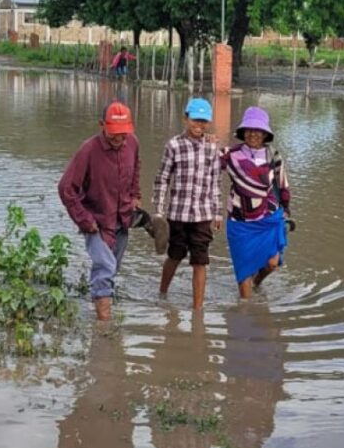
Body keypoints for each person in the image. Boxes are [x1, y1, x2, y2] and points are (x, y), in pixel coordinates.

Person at [58, 100, 141, 320]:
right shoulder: (89, 150)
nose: (119, 138)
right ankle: (104, 328)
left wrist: (135, 196)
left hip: (123, 219)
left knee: (112, 269)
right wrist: (84, 220)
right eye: (114, 133)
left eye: (123, 133)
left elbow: (135, 171)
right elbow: (66, 188)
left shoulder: (133, 144)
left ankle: (98, 301)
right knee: (105, 267)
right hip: (97, 221)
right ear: (101, 125)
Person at [153, 98, 223, 309]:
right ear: (185, 118)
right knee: (175, 255)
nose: (199, 126)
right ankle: (162, 293)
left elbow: (216, 182)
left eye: (204, 122)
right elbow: (162, 178)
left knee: (201, 260)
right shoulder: (173, 145)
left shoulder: (212, 148)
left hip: (203, 214)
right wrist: (158, 211)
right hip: (178, 214)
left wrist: (218, 212)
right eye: (195, 120)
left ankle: (198, 309)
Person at [221, 106, 292, 299]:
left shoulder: (274, 156)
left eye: (258, 130)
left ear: (264, 133)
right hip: (239, 220)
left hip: (268, 217)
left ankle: (257, 282)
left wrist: (286, 208)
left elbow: (282, 184)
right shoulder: (230, 155)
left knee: (272, 263)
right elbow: (205, 163)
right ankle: (246, 313)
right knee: (244, 269)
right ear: (243, 132)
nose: (253, 134)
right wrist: (206, 142)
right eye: (249, 130)